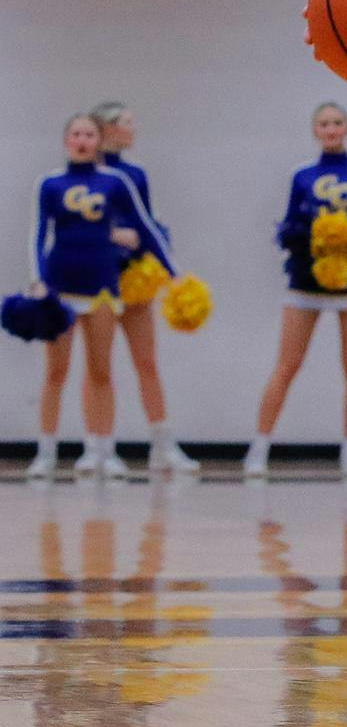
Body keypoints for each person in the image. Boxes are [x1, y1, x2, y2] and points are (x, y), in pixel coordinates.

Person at [24, 114, 176, 480]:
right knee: (56, 373)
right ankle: (46, 453)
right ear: (66, 140)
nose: (82, 139)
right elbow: (38, 235)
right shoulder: (50, 183)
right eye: (75, 133)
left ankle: (103, 450)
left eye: (89, 134)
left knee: (100, 370)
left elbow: (144, 226)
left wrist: (174, 273)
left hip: (102, 288)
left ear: (98, 140)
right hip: (60, 288)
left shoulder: (116, 181)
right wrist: (38, 280)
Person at [246, 102, 347, 480]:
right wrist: (315, 243)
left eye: (338, 122)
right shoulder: (301, 175)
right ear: (315, 131)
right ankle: (259, 448)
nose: (331, 129)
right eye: (324, 124)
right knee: (287, 365)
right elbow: (288, 228)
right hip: (306, 280)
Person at [88, 102, 200, 474]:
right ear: (106, 129)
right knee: (98, 367)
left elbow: (146, 223)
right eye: (126, 122)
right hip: (96, 280)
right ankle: (98, 448)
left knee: (147, 361)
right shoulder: (83, 174)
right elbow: (73, 226)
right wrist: (109, 234)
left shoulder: (135, 174)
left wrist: (170, 270)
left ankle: (162, 445)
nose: (133, 128)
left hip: (134, 276)